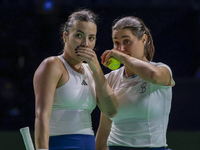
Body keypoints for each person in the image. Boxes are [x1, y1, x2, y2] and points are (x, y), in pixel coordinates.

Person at [33, 9, 118, 150]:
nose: (85, 43)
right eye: (79, 35)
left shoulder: (91, 70)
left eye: (91, 38)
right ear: (65, 36)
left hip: (89, 145)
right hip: (60, 146)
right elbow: (41, 116)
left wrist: (97, 70)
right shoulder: (53, 65)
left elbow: (111, 111)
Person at [95, 16, 175, 150]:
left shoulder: (162, 69)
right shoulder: (110, 78)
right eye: (116, 42)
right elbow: (103, 129)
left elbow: (153, 76)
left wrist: (122, 57)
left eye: (126, 41)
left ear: (143, 40)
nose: (120, 48)